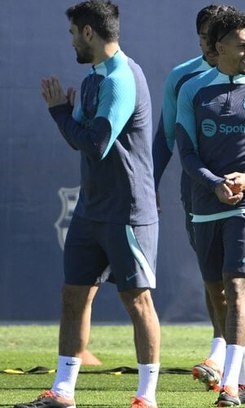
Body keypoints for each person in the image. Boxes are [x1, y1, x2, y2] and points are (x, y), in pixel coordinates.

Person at [16, 1, 160, 408]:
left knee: (137, 299)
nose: (70, 42)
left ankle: (146, 397)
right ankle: (63, 391)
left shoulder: (120, 78)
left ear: (88, 33)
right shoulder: (95, 78)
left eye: (72, 33)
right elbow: (78, 138)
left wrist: (60, 112)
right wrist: (64, 114)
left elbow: (94, 144)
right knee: (73, 295)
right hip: (91, 209)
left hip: (127, 211)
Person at [152, 5, 245, 404]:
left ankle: (226, 364)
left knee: (235, 283)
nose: (213, 43)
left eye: (218, 35)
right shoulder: (184, 78)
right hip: (198, 194)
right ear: (203, 39)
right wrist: (149, 184)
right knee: (216, 284)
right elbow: (166, 138)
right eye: (208, 36)